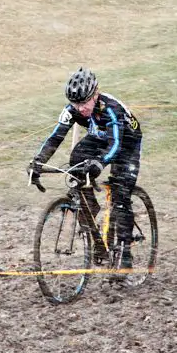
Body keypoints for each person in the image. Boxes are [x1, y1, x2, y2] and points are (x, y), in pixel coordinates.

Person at [28, 67, 143, 270]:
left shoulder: (111, 109)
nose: (80, 108)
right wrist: (38, 162)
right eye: (76, 103)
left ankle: (125, 251)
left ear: (95, 95)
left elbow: (115, 144)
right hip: (99, 137)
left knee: (121, 193)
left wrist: (100, 163)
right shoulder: (72, 109)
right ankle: (89, 208)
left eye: (84, 103)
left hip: (126, 143)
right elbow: (56, 136)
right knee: (77, 161)